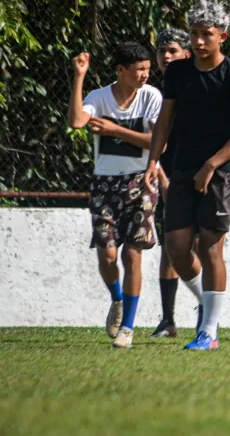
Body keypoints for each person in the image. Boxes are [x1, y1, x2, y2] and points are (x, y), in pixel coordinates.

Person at [145, 0, 230, 351]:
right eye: (193, 34)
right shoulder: (177, 73)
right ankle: (208, 304)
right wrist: (153, 160)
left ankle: (208, 332)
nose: (198, 41)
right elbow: (165, 119)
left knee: (210, 248)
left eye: (206, 34)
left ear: (222, 36)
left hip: (220, 174)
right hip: (180, 168)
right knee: (176, 248)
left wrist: (212, 164)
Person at [68, 42, 162, 349]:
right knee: (108, 256)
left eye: (148, 69)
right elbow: (77, 121)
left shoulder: (151, 97)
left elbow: (156, 142)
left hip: (141, 183)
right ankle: (117, 299)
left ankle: (129, 327)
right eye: (139, 70)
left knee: (131, 254)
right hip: (104, 184)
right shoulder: (98, 97)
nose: (145, 75)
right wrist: (79, 76)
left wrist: (114, 130)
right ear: (120, 71)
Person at [149, 28, 195, 339]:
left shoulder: (197, 88)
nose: (166, 56)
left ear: (186, 54)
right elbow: (157, 141)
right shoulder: (155, 93)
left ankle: (208, 311)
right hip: (168, 179)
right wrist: (162, 177)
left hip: (200, 175)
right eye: (162, 51)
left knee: (205, 245)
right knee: (170, 246)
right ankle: (168, 320)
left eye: (173, 51)